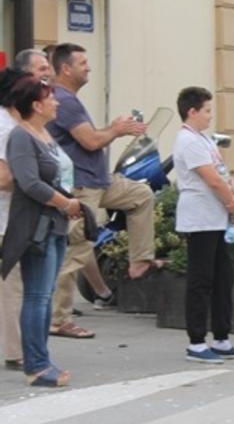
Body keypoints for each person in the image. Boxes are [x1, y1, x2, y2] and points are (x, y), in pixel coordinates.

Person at [48, 43, 159, 340]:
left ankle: (140, 259)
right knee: (77, 251)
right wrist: (117, 129)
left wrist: (113, 129)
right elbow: (91, 142)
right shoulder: (64, 101)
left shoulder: (70, 99)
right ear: (65, 69)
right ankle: (58, 319)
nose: (88, 67)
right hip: (83, 187)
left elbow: (90, 138)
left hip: (100, 181)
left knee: (141, 195)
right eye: (82, 63)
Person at [18, 50, 115, 311]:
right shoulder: (20, 129)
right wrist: (65, 201)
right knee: (36, 289)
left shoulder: (42, 126)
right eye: (41, 70)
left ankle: (56, 320)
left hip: (72, 193)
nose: (48, 75)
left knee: (75, 247)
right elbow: (29, 180)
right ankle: (57, 319)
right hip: (59, 198)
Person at [1, 76, 82, 386]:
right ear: (36, 105)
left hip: (56, 224)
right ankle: (35, 366)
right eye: (51, 98)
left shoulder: (44, 133)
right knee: (36, 296)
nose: (57, 102)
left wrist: (69, 205)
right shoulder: (21, 137)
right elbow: (29, 182)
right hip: (37, 225)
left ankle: (43, 359)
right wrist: (65, 202)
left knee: (45, 295)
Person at [173, 87, 234, 364]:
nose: (209, 116)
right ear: (192, 111)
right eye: (206, 110)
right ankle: (196, 341)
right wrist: (233, 205)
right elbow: (211, 179)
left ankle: (221, 337)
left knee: (223, 278)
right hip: (200, 218)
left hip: (216, 217)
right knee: (201, 280)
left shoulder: (203, 139)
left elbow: (222, 171)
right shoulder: (187, 141)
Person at [0, 68, 27, 371]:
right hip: (7, 218)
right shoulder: (6, 128)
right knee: (12, 287)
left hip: (12, 218)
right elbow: (4, 179)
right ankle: (15, 350)